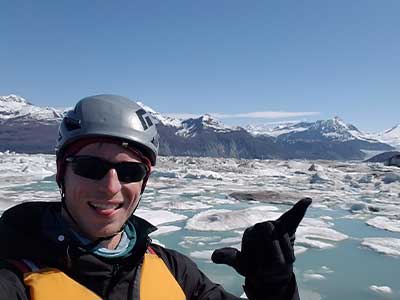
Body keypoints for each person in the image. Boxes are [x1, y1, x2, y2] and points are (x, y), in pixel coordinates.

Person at [0, 94, 312, 300]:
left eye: (130, 172)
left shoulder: (174, 270)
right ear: (61, 173)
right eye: (89, 167)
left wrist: (275, 289)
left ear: (144, 182)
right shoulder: (12, 275)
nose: (110, 187)